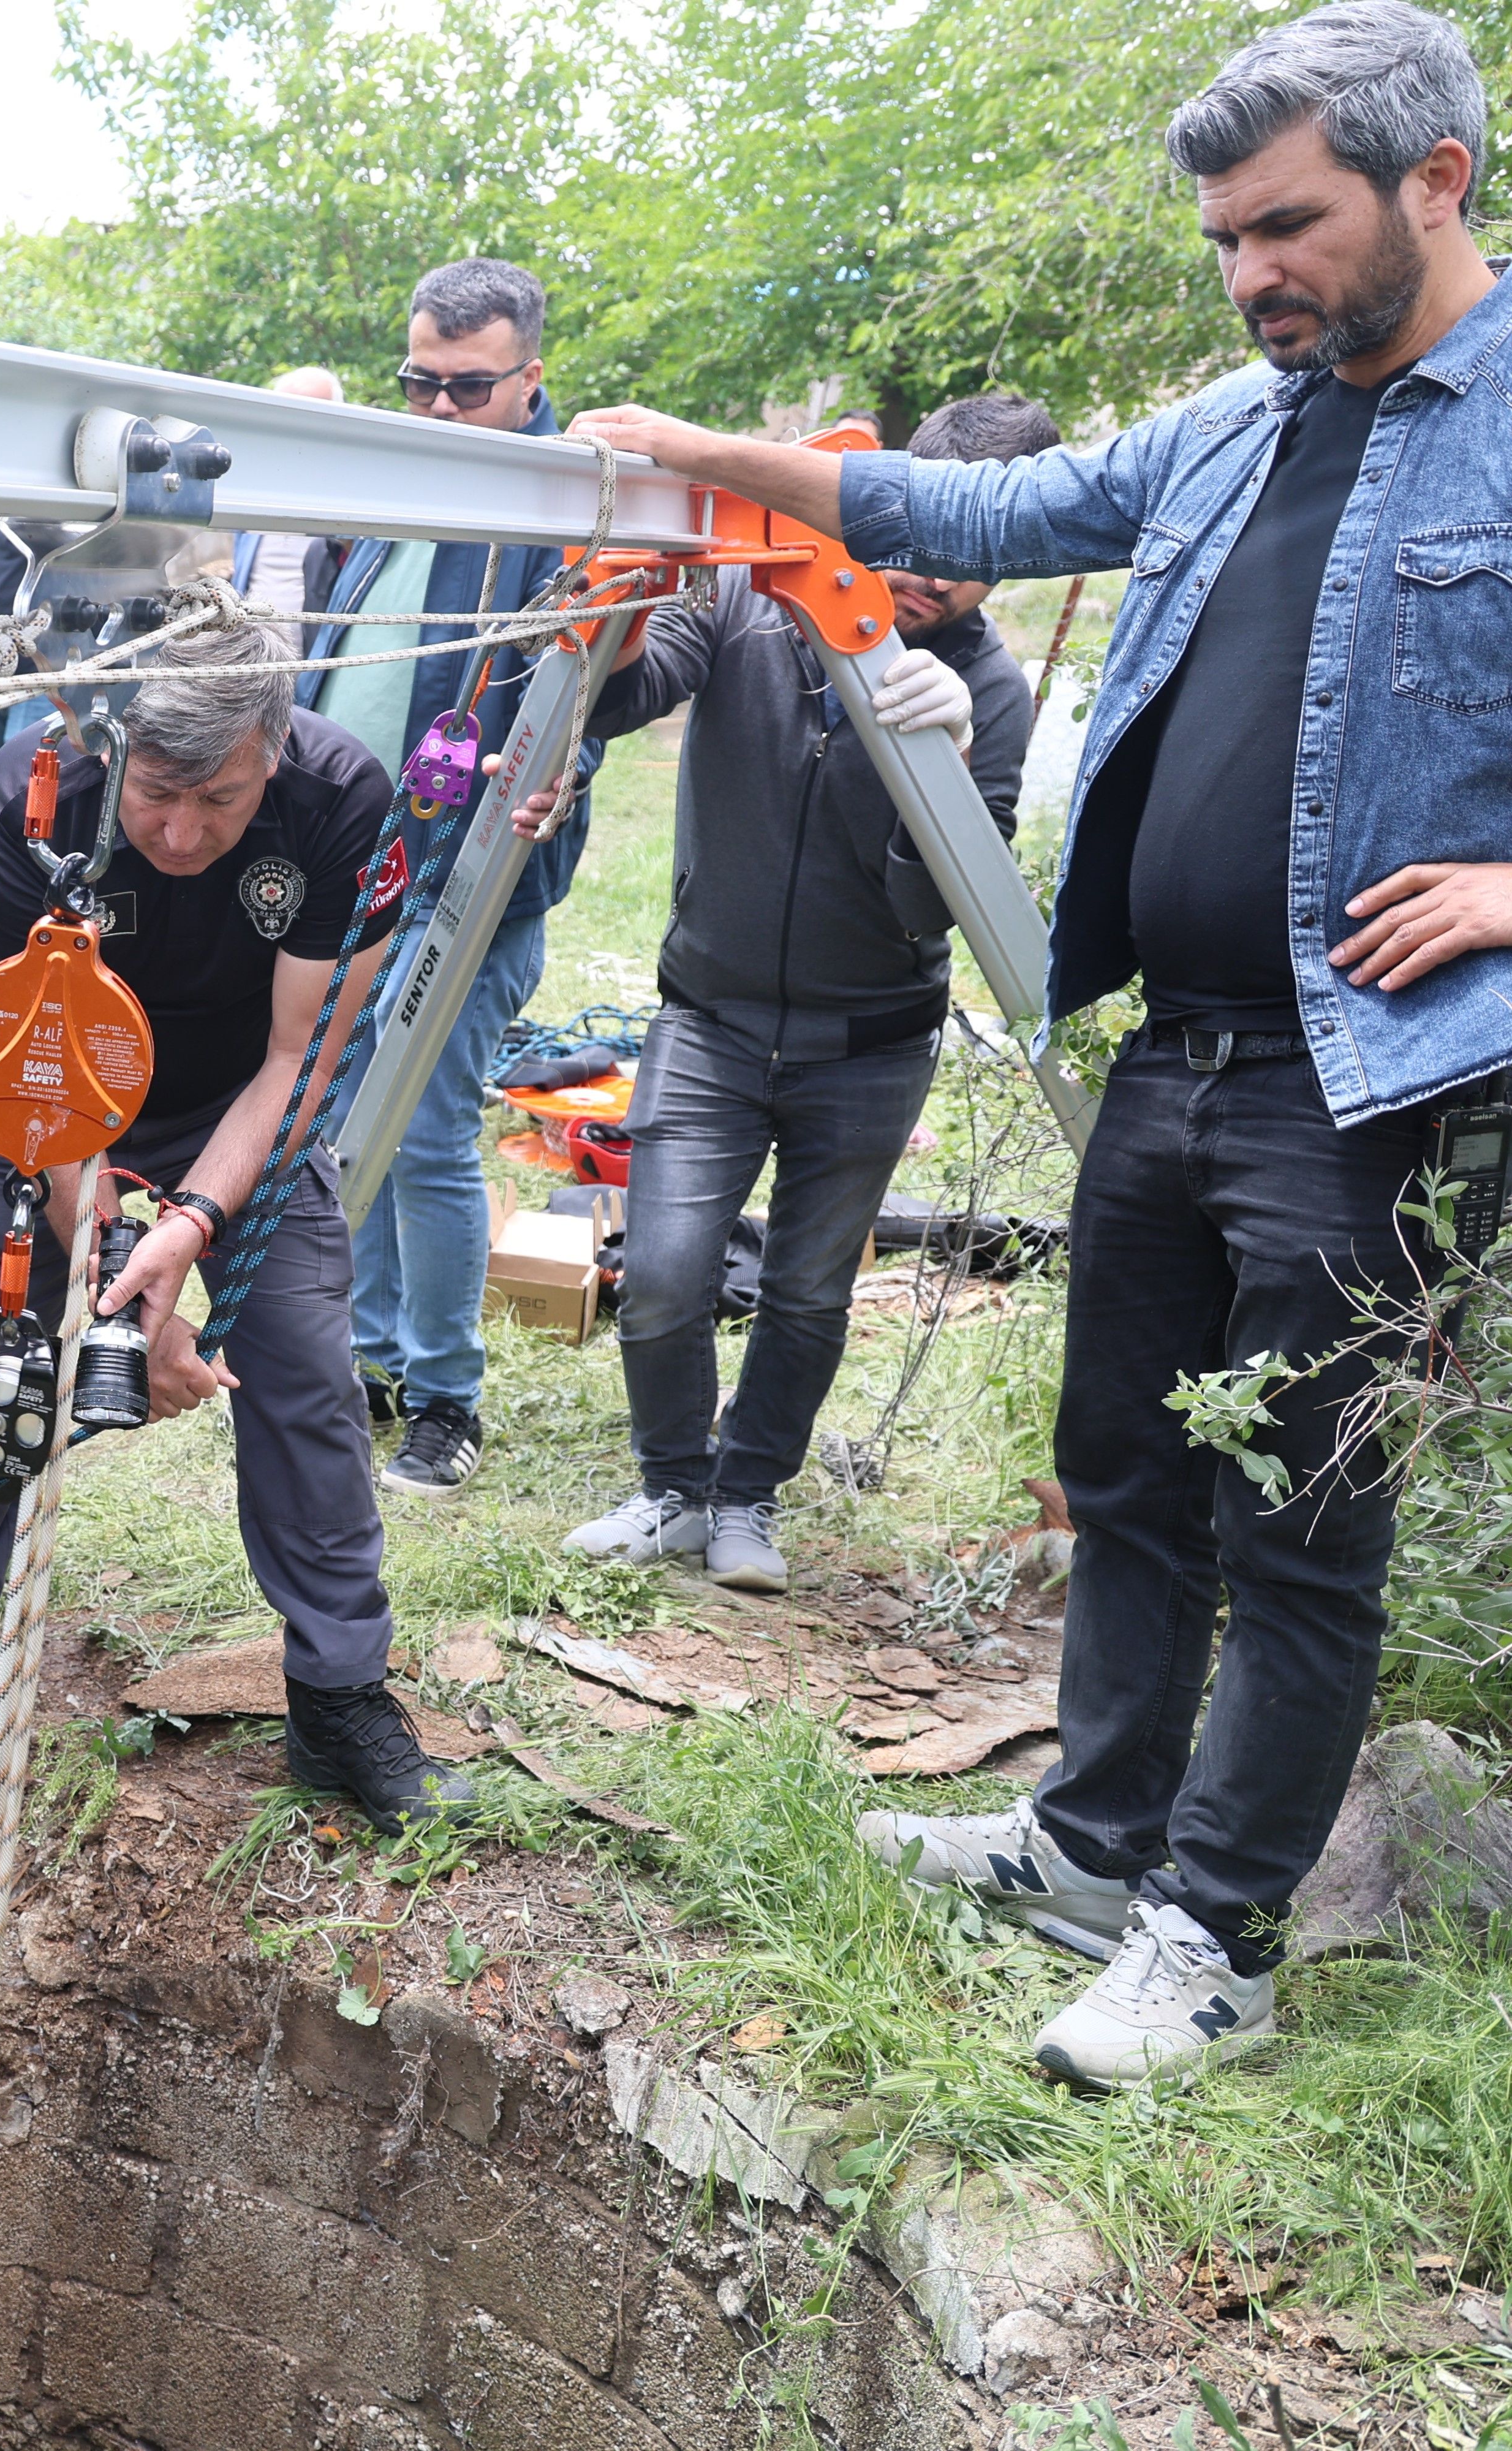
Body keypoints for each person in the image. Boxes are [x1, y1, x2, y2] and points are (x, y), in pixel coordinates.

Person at [576, 0, 1512, 2088]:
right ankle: (1095, 1851)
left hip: (1369, 1084)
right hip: (1172, 1050)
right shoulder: (1232, 423)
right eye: (1224, 242)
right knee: (1129, 1470)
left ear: (1438, 183)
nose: (1252, 272)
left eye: (1288, 225)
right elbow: (974, 517)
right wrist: (706, 457)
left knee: (1298, 1516)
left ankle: (1221, 1945)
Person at [0, 618, 462, 1831]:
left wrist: (191, 1227)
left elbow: (300, 1056)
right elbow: (40, 1076)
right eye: (157, 796)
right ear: (113, 749)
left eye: (218, 798)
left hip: (238, 1114)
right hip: (49, 1104)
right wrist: (127, 1265)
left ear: (271, 752)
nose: (180, 834)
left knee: (304, 1374)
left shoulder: (344, 807)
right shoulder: (27, 807)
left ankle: (339, 1694)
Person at [554, 395, 1053, 1596]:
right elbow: (627, 691)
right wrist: (616, 605)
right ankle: (674, 1485)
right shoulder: (753, 600)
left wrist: (922, 759)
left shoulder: (989, 696)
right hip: (709, 1020)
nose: (930, 572)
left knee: (810, 1290)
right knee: (668, 1268)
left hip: (872, 1046)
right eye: (919, 528)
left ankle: (747, 1497)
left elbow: (930, 910)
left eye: (970, 552)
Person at [303, 258, 606, 1499]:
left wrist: (567, 770)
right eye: (418, 380)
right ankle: (365, 1359)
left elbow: (609, 665)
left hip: (467, 877)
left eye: (464, 387)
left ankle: (444, 1399)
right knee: (339, 1113)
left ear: (529, 378)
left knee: (423, 1132)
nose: (435, 406)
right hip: (350, 866)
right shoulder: (398, 484)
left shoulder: (566, 504)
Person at [227, 366, 352, 621]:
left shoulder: (349, 496)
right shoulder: (253, 489)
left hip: (317, 652)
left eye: (311, 414)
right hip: (252, 648)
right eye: (285, 413)